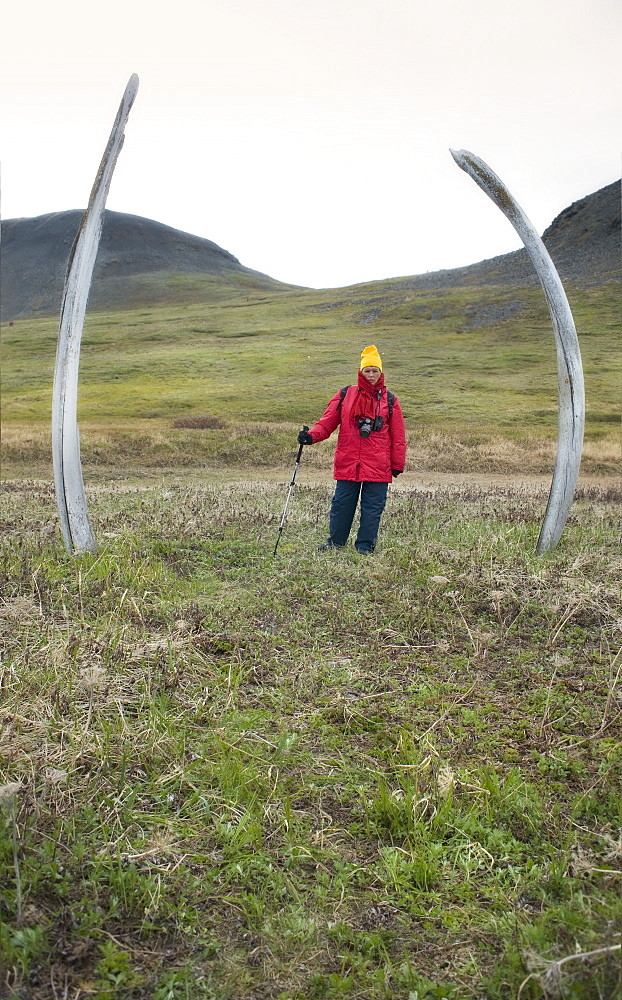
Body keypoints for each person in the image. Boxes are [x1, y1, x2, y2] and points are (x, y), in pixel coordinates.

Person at [298, 345, 406, 554]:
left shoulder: (390, 400)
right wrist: (310, 436)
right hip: (349, 461)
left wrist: (397, 463)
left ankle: (365, 546)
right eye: (368, 370)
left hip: (378, 464)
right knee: (341, 504)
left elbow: (398, 436)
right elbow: (326, 423)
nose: (372, 375)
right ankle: (336, 542)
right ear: (360, 372)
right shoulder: (345, 394)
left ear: (381, 373)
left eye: (375, 371)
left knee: (372, 508)